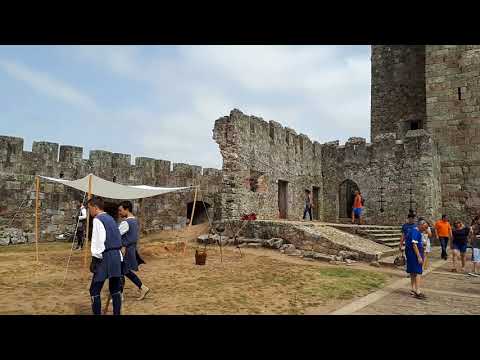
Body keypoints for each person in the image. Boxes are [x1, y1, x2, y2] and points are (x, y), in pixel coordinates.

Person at [88, 196, 123, 315]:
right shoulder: (111, 218)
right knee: (115, 289)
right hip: (116, 256)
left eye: (90, 208)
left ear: (95, 207)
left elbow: (98, 242)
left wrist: (95, 260)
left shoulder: (98, 219)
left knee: (94, 290)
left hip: (105, 256)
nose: (89, 211)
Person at [118, 201, 150, 300]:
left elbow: (116, 235)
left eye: (120, 210)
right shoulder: (135, 220)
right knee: (125, 272)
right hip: (130, 249)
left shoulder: (126, 222)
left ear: (127, 209)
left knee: (120, 272)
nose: (119, 213)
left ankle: (120, 295)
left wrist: (123, 245)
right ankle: (143, 288)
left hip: (125, 250)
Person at [405, 219, 428, 299]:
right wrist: (419, 256)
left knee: (413, 272)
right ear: (421, 225)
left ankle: (413, 289)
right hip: (414, 254)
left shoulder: (414, 231)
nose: (425, 230)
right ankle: (418, 291)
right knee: (418, 272)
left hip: (412, 253)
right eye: (425, 228)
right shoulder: (415, 231)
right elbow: (414, 244)